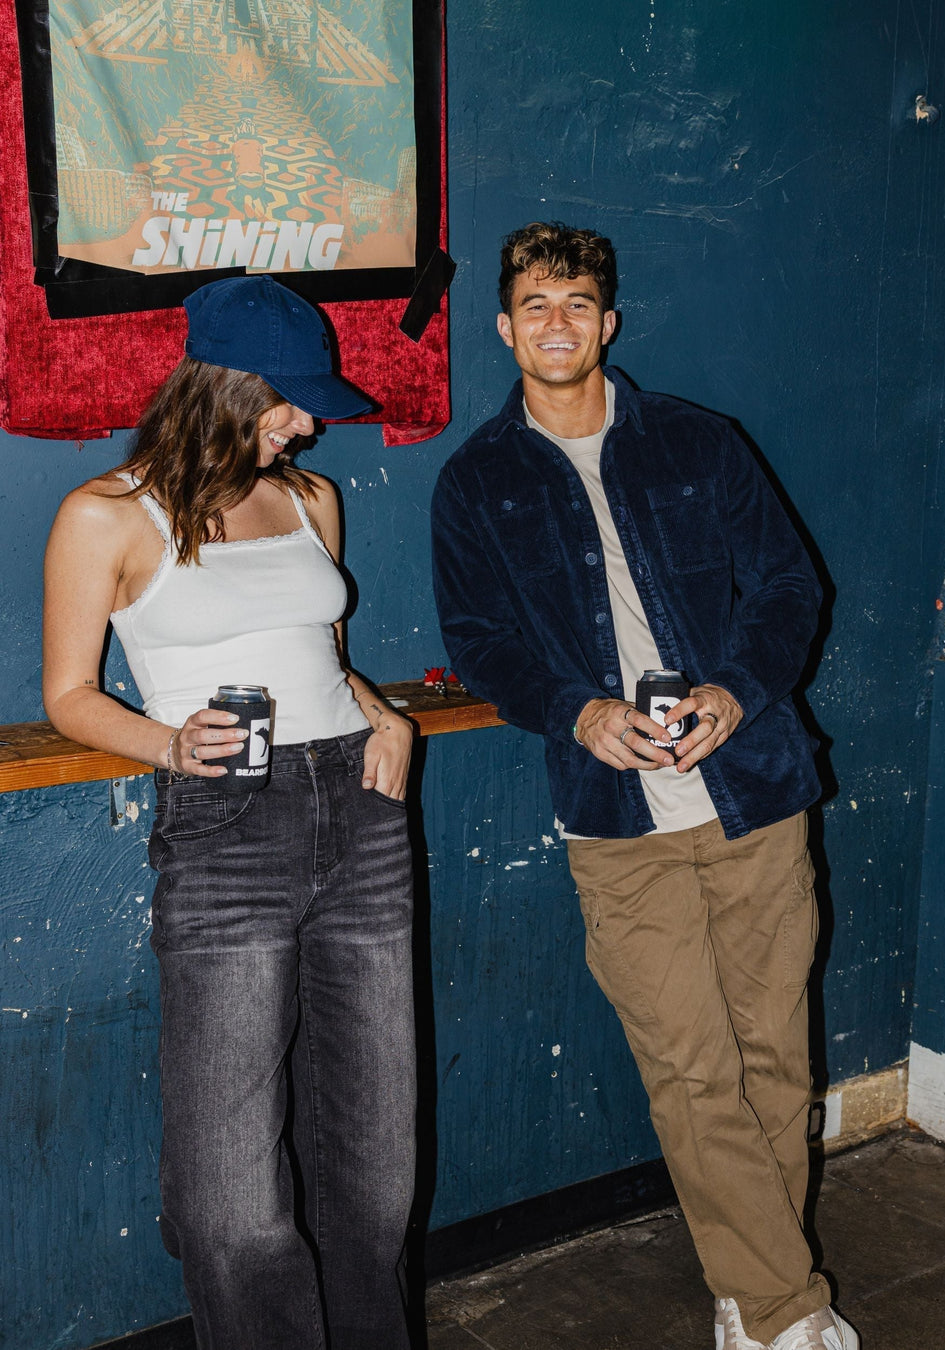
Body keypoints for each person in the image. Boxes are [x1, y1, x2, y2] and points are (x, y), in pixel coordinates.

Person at [430, 223, 857, 1350]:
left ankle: (743, 1278)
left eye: (578, 303)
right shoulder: (477, 480)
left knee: (776, 1057)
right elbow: (479, 642)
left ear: (608, 322)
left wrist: (734, 690)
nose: (557, 322)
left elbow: (787, 588)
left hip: (753, 795)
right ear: (504, 326)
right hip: (615, 822)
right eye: (536, 305)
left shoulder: (698, 442)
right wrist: (577, 710)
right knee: (689, 1066)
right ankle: (780, 1309)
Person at [43, 275, 416, 1350]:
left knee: (377, 1174)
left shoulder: (309, 499)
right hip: (226, 829)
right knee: (233, 1193)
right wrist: (168, 745)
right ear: (219, 388)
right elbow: (68, 695)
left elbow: (327, 659)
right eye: (288, 402)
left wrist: (385, 714)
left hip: (361, 809)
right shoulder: (106, 515)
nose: (306, 422)